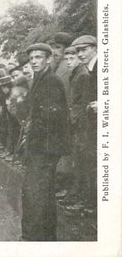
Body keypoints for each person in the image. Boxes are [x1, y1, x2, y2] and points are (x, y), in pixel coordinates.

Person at [21, 43, 69, 241]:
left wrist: (32, 136)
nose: (33, 61)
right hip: (42, 147)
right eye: (31, 58)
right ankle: (44, 237)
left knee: (36, 194)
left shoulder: (50, 81)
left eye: (38, 57)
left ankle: (33, 238)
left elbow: (50, 118)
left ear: (49, 59)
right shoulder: (41, 80)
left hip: (44, 149)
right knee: (41, 194)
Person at [59, 46, 90, 210]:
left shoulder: (82, 75)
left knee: (80, 162)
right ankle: (75, 193)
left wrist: (72, 121)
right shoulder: (76, 74)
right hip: (75, 122)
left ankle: (81, 197)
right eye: (67, 59)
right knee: (75, 161)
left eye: (72, 59)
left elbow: (81, 103)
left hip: (80, 125)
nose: (69, 62)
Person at [72, 35, 97, 213]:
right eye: (78, 51)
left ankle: (91, 205)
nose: (80, 54)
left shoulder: (98, 68)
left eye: (84, 50)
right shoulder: (90, 69)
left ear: (95, 48)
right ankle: (89, 203)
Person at [49, 32, 73, 100]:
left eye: (58, 47)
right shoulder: (55, 63)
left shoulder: (67, 65)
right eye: (52, 48)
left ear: (67, 49)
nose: (54, 51)